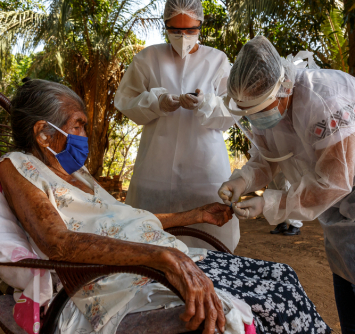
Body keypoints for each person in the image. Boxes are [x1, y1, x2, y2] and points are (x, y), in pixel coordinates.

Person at [0, 79, 331, 334]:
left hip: (161, 257)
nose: (84, 134)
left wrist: (195, 216)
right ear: (43, 133)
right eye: (77, 125)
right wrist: (162, 257)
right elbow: (57, 242)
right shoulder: (17, 165)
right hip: (123, 279)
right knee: (248, 307)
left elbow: (123, 219)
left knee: (280, 277)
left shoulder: (77, 174)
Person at [218, 36, 355, 334]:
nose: (256, 119)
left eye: (260, 109)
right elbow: (268, 157)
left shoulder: (325, 101)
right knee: (347, 283)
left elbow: (335, 181)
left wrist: (271, 203)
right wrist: (242, 180)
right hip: (337, 213)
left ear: (284, 88)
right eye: (249, 113)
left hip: (347, 195)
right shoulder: (267, 103)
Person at [114, 0, 239, 252]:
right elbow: (125, 101)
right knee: (151, 244)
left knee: (210, 246)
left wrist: (206, 103)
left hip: (204, 171)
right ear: (165, 25)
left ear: (201, 25)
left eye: (190, 30)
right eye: (176, 30)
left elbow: (232, 111)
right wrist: (157, 102)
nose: (183, 37)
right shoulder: (148, 58)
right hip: (155, 172)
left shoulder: (217, 60)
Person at [268, 169, 303, 235]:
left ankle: (295, 226)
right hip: (272, 169)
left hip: (285, 168)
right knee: (274, 194)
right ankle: (281, 223)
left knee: (288, 195)